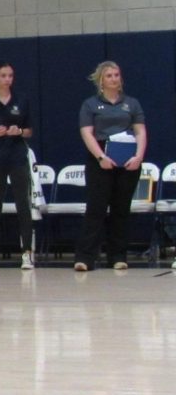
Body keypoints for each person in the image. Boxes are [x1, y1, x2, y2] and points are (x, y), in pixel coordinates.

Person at [75, 61, 147, 271]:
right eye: (109, 76)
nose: (114, 79)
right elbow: (87, 132)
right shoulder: (90, 104)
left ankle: (117, 256)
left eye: (116, 75)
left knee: (121, 209)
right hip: (101, 158)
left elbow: (140, 131)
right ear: (101, 80)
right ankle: (85, 257)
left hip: (127, 158)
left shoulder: (131, 103)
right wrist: (100, 157)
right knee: (96, 209)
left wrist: (138, 157)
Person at [0, 63, 35, 270]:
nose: (7, 79)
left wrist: (17, 131)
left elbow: (29, 131)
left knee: (22, 205)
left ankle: (27, 253)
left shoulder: (21, 99)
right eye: (3, 75)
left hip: (17, 156)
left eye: (10, 75)